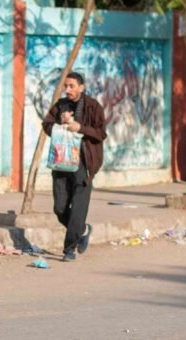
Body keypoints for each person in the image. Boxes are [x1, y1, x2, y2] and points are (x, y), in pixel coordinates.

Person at [41, 71, 107, 261]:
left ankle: (69, 249)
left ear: (81, 87)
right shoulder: (60, 105)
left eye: (71, 86)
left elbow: (101, 133)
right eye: (66, 86)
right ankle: (83, 230)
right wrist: (59, 123)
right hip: (61, 162)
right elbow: (46, 124)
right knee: (60, 208)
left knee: (78, 208)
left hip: (84, 164)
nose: (67, 90)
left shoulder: (93, 106)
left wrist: (80, 128)